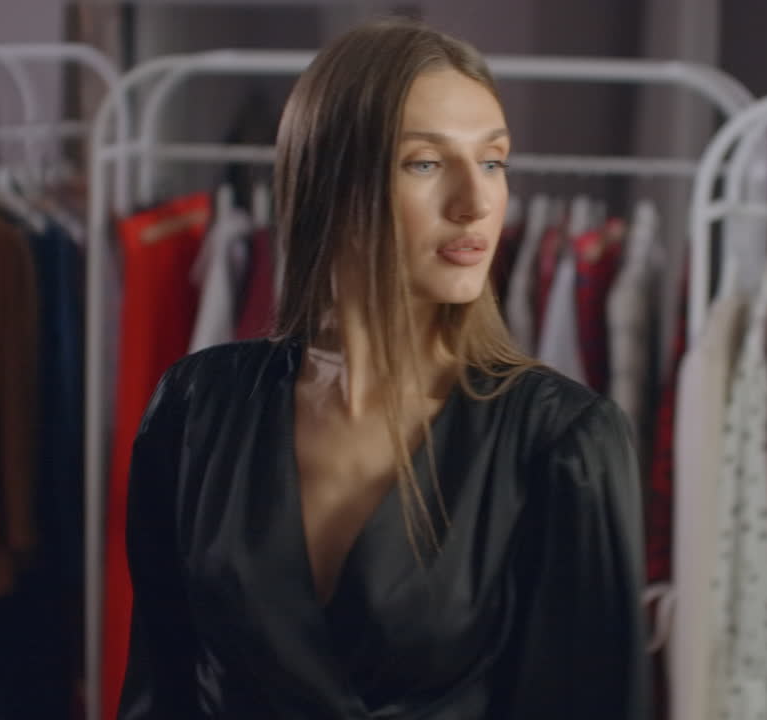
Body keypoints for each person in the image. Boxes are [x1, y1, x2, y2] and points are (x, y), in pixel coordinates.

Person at [118, 17, 649, 719]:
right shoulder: (199, 409)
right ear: (331, 183)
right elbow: (159, 688)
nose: (476, 201)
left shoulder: (561, 446)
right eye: (425, 163)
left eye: (493, 162)